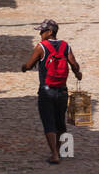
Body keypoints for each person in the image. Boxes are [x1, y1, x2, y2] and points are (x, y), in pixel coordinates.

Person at [20, 19, 82, 164]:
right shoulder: (65, 46)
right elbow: (74, 64)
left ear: (50, 32)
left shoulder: (41, 47)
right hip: (62, 91)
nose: (40, 34)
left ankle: (54, 154)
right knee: (60, 122)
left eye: (42, 31)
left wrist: (24, 67)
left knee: (48, 122)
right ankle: (59, 150)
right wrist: (78, 74)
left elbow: (29, 65)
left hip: (46, 91)